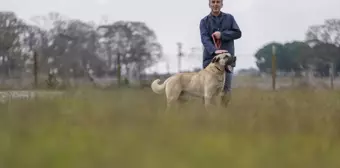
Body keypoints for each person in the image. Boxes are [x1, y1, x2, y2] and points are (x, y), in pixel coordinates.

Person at [199, 0, 242, 106]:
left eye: (218, 2)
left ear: (222, 4)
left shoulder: (230, 18)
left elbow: (238, 33)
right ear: (209, 4)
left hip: (227, 60)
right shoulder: (204, 21)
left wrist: (222, 35)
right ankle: (208, 116)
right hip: (210, 60)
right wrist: (215, 50)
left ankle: (223, 115)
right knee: (208, 90)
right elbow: (205, 39)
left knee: (226, 88)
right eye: (213, 2)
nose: (215, 4)